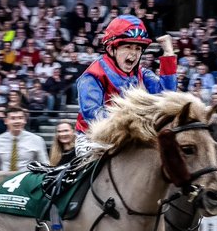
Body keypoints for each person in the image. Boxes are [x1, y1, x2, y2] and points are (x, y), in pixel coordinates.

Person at [73, 15, 178, 150]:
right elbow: (93, 115)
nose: (133, 54)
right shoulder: (92, 76)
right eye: (128, 47)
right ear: (111, 49)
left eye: (138, 49)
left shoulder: (142, 73)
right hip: (93, 138)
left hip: (130, 137)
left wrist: (169, 54)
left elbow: (166, 96)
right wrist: (132, 118)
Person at [0, 108, 47, 173]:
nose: (17, 121)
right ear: (6, 121)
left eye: (20, 118)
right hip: (4, 180)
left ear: (25, 120)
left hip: (27, 180)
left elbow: (44, 165)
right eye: (13, 118)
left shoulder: (37, 140)